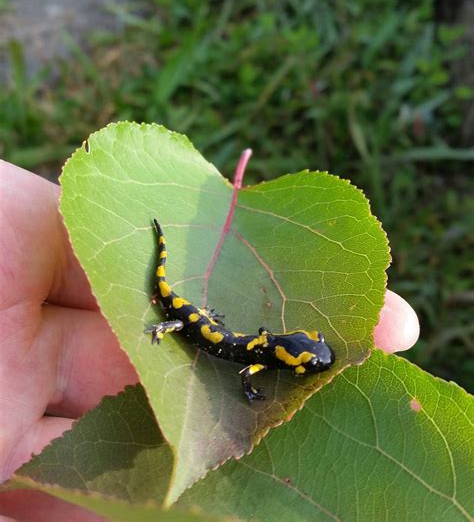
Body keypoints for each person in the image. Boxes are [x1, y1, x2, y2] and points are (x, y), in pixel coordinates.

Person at [0, 161, 420, 521]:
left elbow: (257, 356)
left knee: (195, 319)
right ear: (289, 355)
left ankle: (172, 294)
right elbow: (245, 376)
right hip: (192, 324)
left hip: (208, 327)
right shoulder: (257, 358)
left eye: (309, 356)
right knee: (176, 313)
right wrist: (246, 387)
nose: (312, 358)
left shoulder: (264, 348)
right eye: (309, 358)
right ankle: (168, 311)